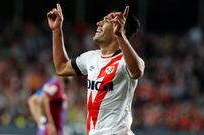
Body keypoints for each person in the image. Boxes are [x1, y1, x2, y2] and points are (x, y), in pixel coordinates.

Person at [47, 3, 145, 135]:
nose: (98, 23)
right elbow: (62, 67)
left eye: (105, 21)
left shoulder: (125, 61)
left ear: (121, 28)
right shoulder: (91, 57)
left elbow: (137, 71)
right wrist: (57, 30)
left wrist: (120, 35)